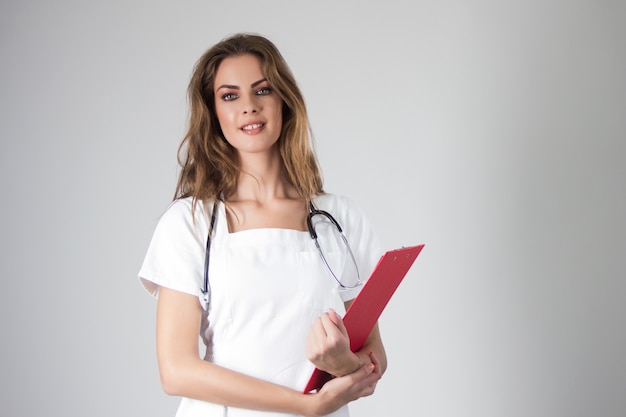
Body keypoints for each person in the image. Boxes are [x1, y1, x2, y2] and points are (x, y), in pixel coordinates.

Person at [138, 33, 387, 417]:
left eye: (263, 90)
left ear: (284, 100)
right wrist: (305, 406)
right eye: (230, 95)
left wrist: (342, 365)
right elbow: (176, 372)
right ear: (214, 111)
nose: (249, 107)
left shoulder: (339, 218)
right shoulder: (189, 224)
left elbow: (373, 359)